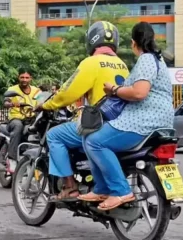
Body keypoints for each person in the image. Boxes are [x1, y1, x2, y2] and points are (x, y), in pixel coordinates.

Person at [78, 22, 174, 211]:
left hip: (143, 121)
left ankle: (117, 190)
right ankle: (104, 186)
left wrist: (114, 89)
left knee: (93, 141)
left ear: (133, 43)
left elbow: (139, 93)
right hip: (163, 121)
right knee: (96, 139)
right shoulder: (159, 60)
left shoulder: (146, 59)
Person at [36, 21, 130, 200]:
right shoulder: (122, 64)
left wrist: (46, 104)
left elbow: (67, 93)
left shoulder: (92, 62)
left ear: (92, 40)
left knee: (54, 136)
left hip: (100, 123)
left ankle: (69, 186)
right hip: (121, 124)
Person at [3, 68, 41, 173]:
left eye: (27, 77)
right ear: (18, 77)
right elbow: (5, 102)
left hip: (31, 119)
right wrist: (11, 104)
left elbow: (43, 100)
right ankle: (12, 158)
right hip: (15, 119)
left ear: (31, 78)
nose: (24, 79)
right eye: (22, 77)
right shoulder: (13, 89)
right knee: (18, 126)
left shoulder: (36, 91)